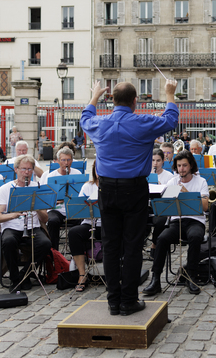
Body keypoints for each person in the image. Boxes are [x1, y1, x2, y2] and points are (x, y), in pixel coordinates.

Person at [81, 78, 179, 316]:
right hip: (134, 189)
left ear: (112, 100)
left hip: (106, 189)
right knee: (133, 246)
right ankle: (128, 300)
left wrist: (95, 94)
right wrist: (169, 93)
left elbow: (84, 118)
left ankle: (113, 301)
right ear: (135, 101)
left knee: (111, 245)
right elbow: (171, 119)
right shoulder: (142, 121)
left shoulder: (100, 122)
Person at [143, 151, 209, 296]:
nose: (181, 169)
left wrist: (186, 194)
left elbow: (205, 206)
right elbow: (165, 206)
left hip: (195, 221)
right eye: (179, 166)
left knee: (195, 237)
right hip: (177, 221)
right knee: (161, 239)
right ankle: (155, 280)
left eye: (184, 165)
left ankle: (191, 276)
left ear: (191, 166)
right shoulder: (172, 182)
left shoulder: (201, 182)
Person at [0, 155, 52, 292]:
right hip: (12, 226)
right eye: (23, 169)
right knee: (8, 242)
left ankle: (23, 276)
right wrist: (14, 214)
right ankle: (15, 278)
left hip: (33, 226)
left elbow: (45, 219)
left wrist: (37, 206)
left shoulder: (38, 187)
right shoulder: (5, 188)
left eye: (29, 169)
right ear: (16, 169)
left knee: (45, 244)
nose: (26, 172)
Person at [39, 148, 82, 251]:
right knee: (52, 221)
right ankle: (54, 253)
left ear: (72, 160)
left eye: (68, 160)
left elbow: (82, 194)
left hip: (72, 207)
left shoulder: (77, 174)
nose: (66, 163)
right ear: (57, 161)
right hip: (56, 208)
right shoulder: (51, 176)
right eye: (63, 160)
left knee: (83, 221)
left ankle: (78, 253)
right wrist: (55, 200)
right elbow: (45, 198)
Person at [68, 162, 101, 292]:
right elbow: (79, 207)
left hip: (107, 224)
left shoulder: (114, 186)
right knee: (74, 233)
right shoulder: (88, 186)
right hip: (89, 223)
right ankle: (82, 274)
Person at [148, 149, 174, 260]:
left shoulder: (169, 176)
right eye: (153, 160)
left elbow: (171, 195)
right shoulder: (145, 174)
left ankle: (154, 244)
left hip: (161, 207)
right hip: (147, 207)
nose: (155, 163)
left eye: (158, 160)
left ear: (163, 161)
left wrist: (159, 188)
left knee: (162, 220)